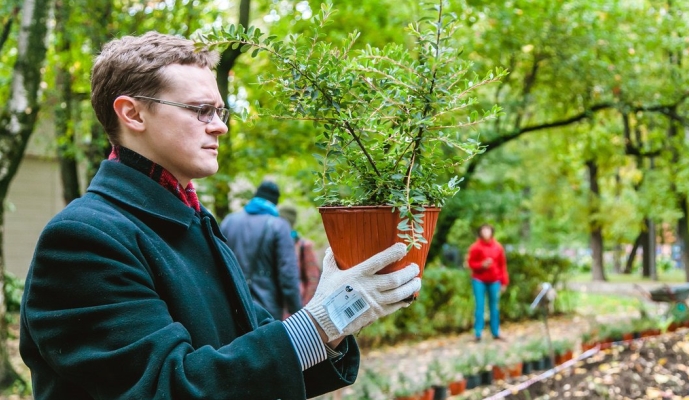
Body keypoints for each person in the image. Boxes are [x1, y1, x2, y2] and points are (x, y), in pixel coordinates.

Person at [19, 31, 421, 400]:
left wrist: (343, 316)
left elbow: (252, 353)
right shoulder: (84, 238)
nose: (220, 127)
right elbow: (167, 387)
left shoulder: (195, 220)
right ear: (133, 114)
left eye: (220, 111)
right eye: (201, 110)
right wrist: (323, 321)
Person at [220, 181, 302, 321]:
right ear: (275, 202)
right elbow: (288, 275)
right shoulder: (279, 226)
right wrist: (297, 312)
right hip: (266, 310)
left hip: (231, 304)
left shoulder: (229, 221)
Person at [466, 223, 508, 341]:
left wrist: (504, 282)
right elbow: (470, 263)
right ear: (480, 232)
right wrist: (481, 265)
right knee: (480, 306)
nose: (486, 233)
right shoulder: (475, 247)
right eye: (483, 230)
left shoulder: (498, 247)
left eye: (488, 230)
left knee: (494, 306)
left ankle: (496, 332)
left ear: (491, 232)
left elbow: (502, 265)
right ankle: (478, 333)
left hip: (494, 280)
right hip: (479, 280)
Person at [278, 205, 321, 306]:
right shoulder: (275, 244)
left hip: (298, 304)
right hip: (277, 306)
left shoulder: (304, 246)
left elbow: (313, 279)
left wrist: (304, 308)